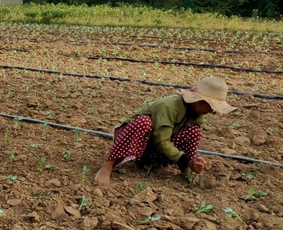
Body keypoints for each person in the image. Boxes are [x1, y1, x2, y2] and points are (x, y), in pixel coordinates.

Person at [95, 77, 236, 186]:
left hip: (153, 145)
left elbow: (186, 139)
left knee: (194, 132)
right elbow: (161, 140)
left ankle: (161, 165)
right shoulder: (170, 106)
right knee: (143, 122)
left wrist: (191, 161)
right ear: (198, 100)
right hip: (135, 137)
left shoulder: (197, 113)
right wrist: (186, 159)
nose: (211, 111)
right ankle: (108, 164)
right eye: (211, 106)